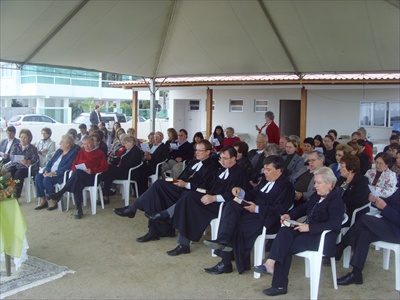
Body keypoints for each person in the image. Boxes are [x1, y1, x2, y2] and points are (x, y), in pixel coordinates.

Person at [254, 167, 343, 297]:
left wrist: (310, 228)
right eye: (315, 182)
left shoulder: (336, 201)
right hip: (308, 232)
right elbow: (303, 208)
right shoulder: (317, 195)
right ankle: (270, 264)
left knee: (285, 246)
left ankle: (279, 284)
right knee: (284, 231)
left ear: (330, 184)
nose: (315, 186)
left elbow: (334, 224)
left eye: (318, 183)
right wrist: (289, 215)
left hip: (322, 238)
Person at [203, 155, 295, 275]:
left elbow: (279, 209)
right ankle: (223, 239)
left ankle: (225, 262)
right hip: (254, 213)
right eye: (264, 169)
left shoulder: (286, 186)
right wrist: (240, 191)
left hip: (269, 219)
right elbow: (252, 194)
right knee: (231, 205)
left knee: (237, 224)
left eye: (268, 170)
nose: (265, 172)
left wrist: (257, 208)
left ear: (278, 171)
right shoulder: (265, 181)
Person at [114, 140, 219, 242]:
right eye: (196, 150)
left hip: (190, 194)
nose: (196, 152)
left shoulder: (212, 167)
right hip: (179, 188)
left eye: (200, 151)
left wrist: (187, 185)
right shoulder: (193, 162)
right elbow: (180, 177)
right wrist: (171, 180)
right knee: (158, 187)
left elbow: (205, 188)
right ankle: (154, 230)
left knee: (158, 190)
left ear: (208, 152)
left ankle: (134, 210)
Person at [166, 146, 251, 256]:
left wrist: (214, 198)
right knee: (189, 198)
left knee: (190, 200)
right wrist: (206, 193)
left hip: (223, 206)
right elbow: (211, 187)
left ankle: (168, 217)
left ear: (234, 158)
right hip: (212, 200)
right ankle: (183, 243)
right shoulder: (222, 171)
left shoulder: (240, 173)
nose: (222, 161)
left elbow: (235, 197)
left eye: (225, 158)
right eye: (221, 158)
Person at [335, 189, 400, 286]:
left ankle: (340, 247)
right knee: (364, 234)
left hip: (396, 232)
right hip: (388, 224)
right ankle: (356, 274)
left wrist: (385, 208)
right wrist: (376, 200)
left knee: (365, 219)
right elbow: (390, 202)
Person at [48, 135, 108, 219]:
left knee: (77, 175)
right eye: (84, 144)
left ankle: (61, 193)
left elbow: (105, 167)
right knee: (77, 181)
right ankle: (78, 209)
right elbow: (73, 165)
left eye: (88, 144)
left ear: (93, 142)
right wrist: (76, 169)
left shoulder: (99, 153)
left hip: (92, 177)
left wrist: (92, 170)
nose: (86, 146)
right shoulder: (81, 152)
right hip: (80, 176)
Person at [34, 135, 79, 210]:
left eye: (61, 142)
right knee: (38, 177)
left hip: (60, 175)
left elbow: (68, 166)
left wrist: (54, 173)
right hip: (50, 172)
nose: (59, 143)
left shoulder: (73, 153)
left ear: (67, 144)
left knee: (46, 180)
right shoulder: (59, 151)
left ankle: (52, 200)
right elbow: (50, 162)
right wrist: (46, 170)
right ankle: (43, 200)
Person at [100, 135, 142, 205]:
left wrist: (117, 166)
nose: (124, 145)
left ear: (130, 142)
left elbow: (131, 163)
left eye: (125, 143)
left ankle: (103, 188)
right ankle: (105, 196)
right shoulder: (127, 150)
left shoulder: (136, 151)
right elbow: (119, 158)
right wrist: (111, 162)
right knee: (108, 173)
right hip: (123, 170)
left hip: (130, 172)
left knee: (108, 170)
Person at [5, 129, 39, 200]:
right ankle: (6, 193)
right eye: (21, 137)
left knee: (18, 174)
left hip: (25, 168)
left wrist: (27, 161)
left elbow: (35, 158)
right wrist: (20, 160)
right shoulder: (15, 145)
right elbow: (12, 156)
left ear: (29, 138)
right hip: (15, 165)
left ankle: (16, 195)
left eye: (25, 137)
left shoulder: (33, 148)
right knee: (7, 173)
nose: (23, 139)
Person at [335, 155, 369, 226]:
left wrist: (339, 200)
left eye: (342, 167)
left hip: (350, 212)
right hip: (337, 208)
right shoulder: (342, 179)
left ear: (351, 170)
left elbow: (356, 200)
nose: (340, 169)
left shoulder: (362, 181)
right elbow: (334, 192)